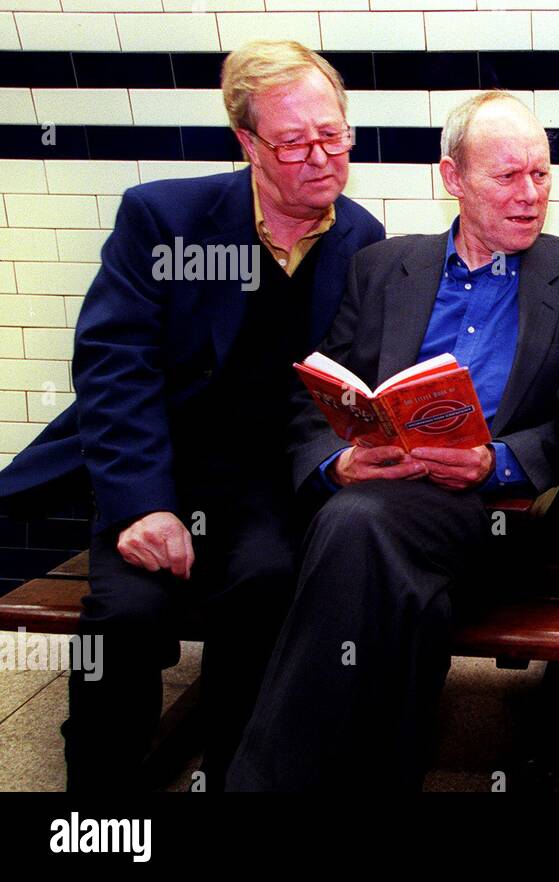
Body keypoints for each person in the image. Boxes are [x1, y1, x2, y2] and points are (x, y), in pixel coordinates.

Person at [0, 40, 384, 790]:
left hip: (267, 484)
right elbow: (115, 370)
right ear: (247, 143)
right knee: (127, 616)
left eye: (333, 134)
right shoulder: (164, 217)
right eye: (294, 141)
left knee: (269, 590)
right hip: (159, 466)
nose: (321, 157)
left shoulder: (360, 238)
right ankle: (100, 805)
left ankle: (237, 773)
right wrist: (144, 506)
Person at [227, 91, 559, 791]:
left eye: (541, 175)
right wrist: (342, 461)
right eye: (507, 176)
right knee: (399, 587)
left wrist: (499, 460)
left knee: (356, 529)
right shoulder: (383, 268)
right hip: (378, 504)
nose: (530, 196)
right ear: (452, 178)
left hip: (494, 514)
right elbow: (317, 399)